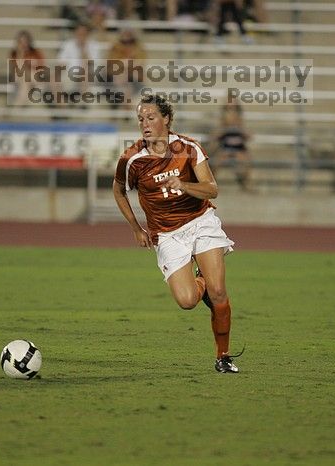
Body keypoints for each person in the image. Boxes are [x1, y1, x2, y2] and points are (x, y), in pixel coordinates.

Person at [112, 93, 241, 373]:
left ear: (166, 119)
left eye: (151, 117)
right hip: (167, 234)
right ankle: (200, 281)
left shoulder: (189, 149)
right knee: (187, 301)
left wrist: (184, 185)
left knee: (219, 291)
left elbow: (212, 189)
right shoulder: (132, 158)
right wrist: (135, 227)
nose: (145, 124)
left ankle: (223, 356)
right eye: (140, 119)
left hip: (199, 222)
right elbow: (118, 190)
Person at [210, 100, 252, 191]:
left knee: (245, 162)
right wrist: (225, 128)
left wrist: (239, 128)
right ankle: (212, 185)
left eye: (234, 109)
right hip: (226, 147)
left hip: (239, 147)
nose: (231, 112)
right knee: (216, 162)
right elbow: (215, 135)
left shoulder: (240, 120)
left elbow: (249, 135)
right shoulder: (223, 121)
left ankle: (245, 184)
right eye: (229, 109)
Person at [107, 29, 146, 111]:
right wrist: (125, 63)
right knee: (123, 78)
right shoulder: (115, 47)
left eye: (130, 40)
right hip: (118, 77)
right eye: (124, 41)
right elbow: (112, 63)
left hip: (132, 77)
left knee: (128, 81)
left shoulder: (138, 48)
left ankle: (122, 103)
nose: (127, 43)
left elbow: (140, 63)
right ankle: (125, 105)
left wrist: (127, 64)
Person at [9, 30, 45, 106]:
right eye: (20, 42)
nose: (23, 44)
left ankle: (18, 105)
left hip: (35, 78)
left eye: (25, 41)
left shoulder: (35, 53)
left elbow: (41, 68)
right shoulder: (14, 54)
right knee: (25, 80)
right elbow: (16, 69)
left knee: (26, 79)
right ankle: (21, 104)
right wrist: (20, 53)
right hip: (20, 78)